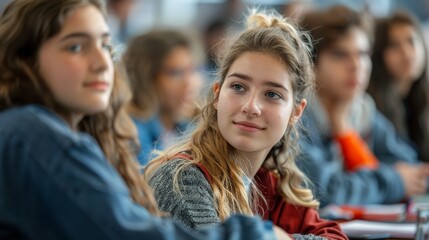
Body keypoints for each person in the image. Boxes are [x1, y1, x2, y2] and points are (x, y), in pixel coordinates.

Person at [0, 0, 288, 239]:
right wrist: (264, 235)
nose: (102, 63)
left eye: (104, 45)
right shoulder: (30, 132)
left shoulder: (56, 132)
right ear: (26, 58)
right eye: (76, 47)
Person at [145, 10, 348, 240]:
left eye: (272, 94)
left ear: (296, 112)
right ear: (217, 95)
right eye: (239, 87)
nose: (251, 107)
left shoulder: (270, 183)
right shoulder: (181, 178)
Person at [298, 5, 429, 208]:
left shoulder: (361, 108)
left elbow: (413, 169)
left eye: (362, 53)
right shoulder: (296, 114)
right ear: (311, 64)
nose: (356, 65)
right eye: (340, 54)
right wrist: (393, 182)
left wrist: (345, 131)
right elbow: (323, 191)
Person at [123, 30, 203, 165]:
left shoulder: (191, 127)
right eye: (175, 73)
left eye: (193, 70)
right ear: (145, 78)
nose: (189, 82)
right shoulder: (130, 133)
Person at [368, 11, 429, 163]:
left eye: (412, 41)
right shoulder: (372, 106)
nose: (407, 53)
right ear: (379, 54)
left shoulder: (421, 96)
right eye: (394, 45)